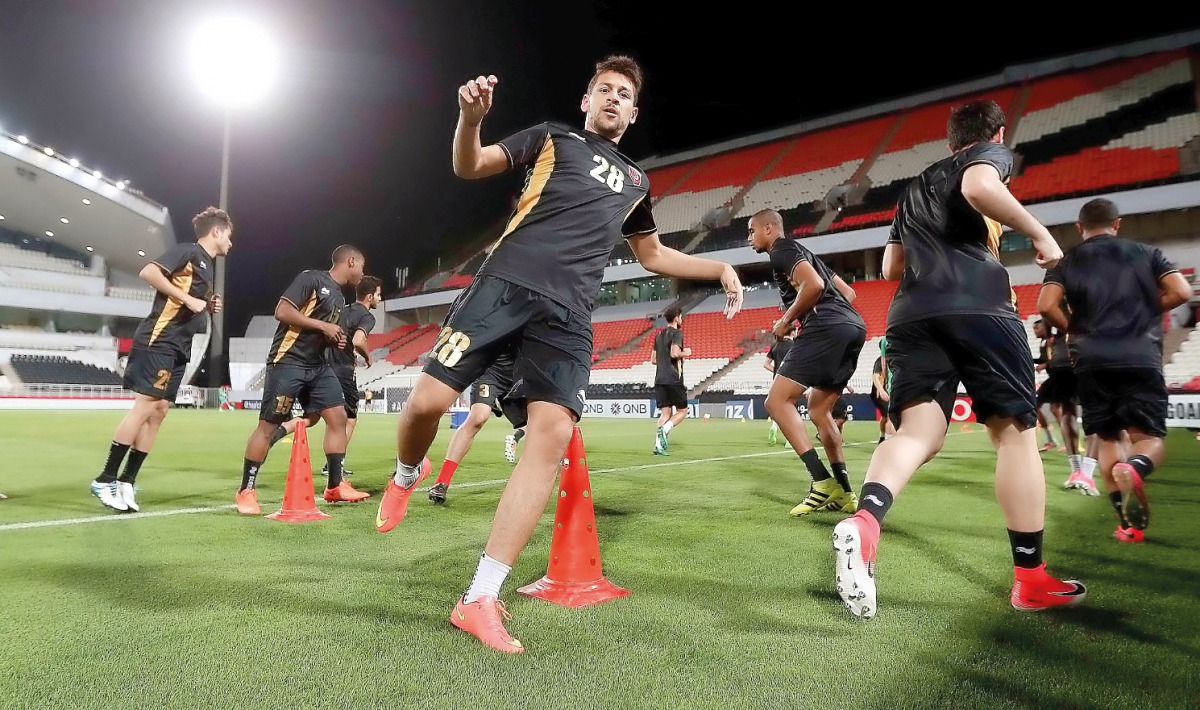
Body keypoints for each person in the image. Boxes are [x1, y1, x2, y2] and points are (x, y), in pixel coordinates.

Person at [375, 56, 743, 654]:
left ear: (635, 110)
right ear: (586, 100)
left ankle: (480, 598)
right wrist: (468, 121)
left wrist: (720, 265)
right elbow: (470, 165)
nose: (615, 99)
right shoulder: (552, 138)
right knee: (426, 403)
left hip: (569, 314)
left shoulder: (637, 183)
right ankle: (406, 475)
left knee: (550, 437)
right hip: (502, 287)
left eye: (625, 94)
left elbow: (652, 257)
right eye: (605, 90)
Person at [832, 100, 1085, 620]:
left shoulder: (914, 187)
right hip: (978, 304)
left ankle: (866, 521)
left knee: (916, 434)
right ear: (994, 133)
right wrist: (1040, 233)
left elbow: (889, 265)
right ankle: (1030, 578)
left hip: (910, 314)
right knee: (1015, 434)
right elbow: (978, 188)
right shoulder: (989, 156)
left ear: (948, 141)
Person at [1039, 198, 1191, 543]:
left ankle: (1128, 525)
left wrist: (1073, 328)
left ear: (1080, 228)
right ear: (1117, 224)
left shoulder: (1066, 260)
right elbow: (1181, 291)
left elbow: (1046, 305)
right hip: (1139, 355)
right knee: (1148, 438)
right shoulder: (1146, 252)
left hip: (1092, 359)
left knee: (1107, 437)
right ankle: (1135, 468)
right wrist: (1148, 310)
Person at [89, 207, 233, 512]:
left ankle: (127, 480)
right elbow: (149, 272)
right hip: (159, 339)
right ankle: (105, 479)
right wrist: (190, 299)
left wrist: (205, 304)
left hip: (179, 346)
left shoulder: (206, 265)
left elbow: (186, 298)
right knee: (145, 407)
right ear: (216, 232)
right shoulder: (189, 251)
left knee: (160, 410)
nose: (231, 243)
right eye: (229, 235)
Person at [748, 209, 865, 518]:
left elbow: (812, 285)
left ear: (769, 228)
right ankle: (847, 494)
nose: (749, 237)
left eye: (752, 231)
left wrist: (787, 320)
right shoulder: (808, 252)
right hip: (854, 327)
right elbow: (848, 293)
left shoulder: (782, 249)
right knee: (819, 410)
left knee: (776, 402)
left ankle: (821, 481)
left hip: (826, 328)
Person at [236, 246, 368, 515]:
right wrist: (323, 327)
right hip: (288, 361)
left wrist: (337, 337)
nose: (363, 273)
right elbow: (282, 312)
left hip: (318, 366)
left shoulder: (341, 298)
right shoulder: (312, 279)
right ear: (351, 261)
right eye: (362, 267)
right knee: (268, 427)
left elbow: (327, 330)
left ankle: (334, 485)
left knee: (338, 417)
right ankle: (246, 491)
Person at [266, 276, 383, 482]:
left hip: (321, 367)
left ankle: (279, 432)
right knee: (349, 418)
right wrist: (368, 356)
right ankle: (334, 466)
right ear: (370, 296)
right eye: (379, 295)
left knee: (312, 417)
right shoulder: (367, 317)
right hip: (343, 372)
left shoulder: (342, 309)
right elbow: (357, 340)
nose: (379, 299)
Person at [428, 349, 527, 505]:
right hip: (491, 371)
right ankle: (442, 482)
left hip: (521, 374)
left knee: (536, 425)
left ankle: (561, 467)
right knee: (478, 417)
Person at [1038, 318, 1093, 494]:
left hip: (1074, 362)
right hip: (1071, 364)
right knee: (1079, 413)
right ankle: (1082, 471)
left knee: (1083, 413)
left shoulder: (1064, 311)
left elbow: (1046, 309)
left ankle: (1082, 471)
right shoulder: (1053, 337)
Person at [651, 306, 690, 455]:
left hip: (659, 378)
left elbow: (653, 360)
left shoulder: (658, 336)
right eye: (680, 317)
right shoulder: (677, 333)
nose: (681, 320)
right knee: (682, 410)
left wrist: (664, 360)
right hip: (673, 378)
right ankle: (665, 430)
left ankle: (658, 445)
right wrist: (686, 352)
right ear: (676, 318)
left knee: (665, 414)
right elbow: (674, 353)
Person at [1030, 320, 1063, 453]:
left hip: (1059, 378)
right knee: (1038, 405)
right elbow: (1044, 359)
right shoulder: (1044, 343)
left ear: (1045, 328)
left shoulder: (1054, 341)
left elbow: (1058, 358)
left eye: (1037, 328)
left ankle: (1066, 440)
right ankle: (1052, 440)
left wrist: (1045, 365)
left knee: (1057, 408)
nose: (1035, 331)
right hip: (1053, 379)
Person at [765, 325, 797, 446]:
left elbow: (766, 364)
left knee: (779, 409)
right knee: (790, 410)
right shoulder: (794, 345)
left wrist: (777, 371)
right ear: (792, 332)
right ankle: (789, 440)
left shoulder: (775, 345)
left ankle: (774, 426)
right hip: (790, 380)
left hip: (776, 380)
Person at [869, 343, 895, 444]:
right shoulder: (880, 361)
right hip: (879, 394)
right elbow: (875, 377)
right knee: (890, 416)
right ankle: (889, 442)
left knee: (885, 417)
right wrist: (881, 390)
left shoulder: (893, 359)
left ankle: (882, 437)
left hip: (888, 393)